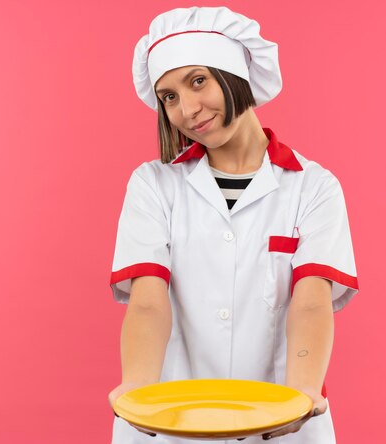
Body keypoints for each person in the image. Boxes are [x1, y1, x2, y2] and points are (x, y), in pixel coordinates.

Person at [108, 6, 359, 443]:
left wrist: (300, 392)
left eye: (198, 80)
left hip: (281, 423)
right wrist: (138, 389)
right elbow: (148, 299)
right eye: (168, 96)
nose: (187, 108)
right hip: (170, 422)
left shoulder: (314, 187)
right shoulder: (153, 185)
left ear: (234, 75)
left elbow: (312, 300)